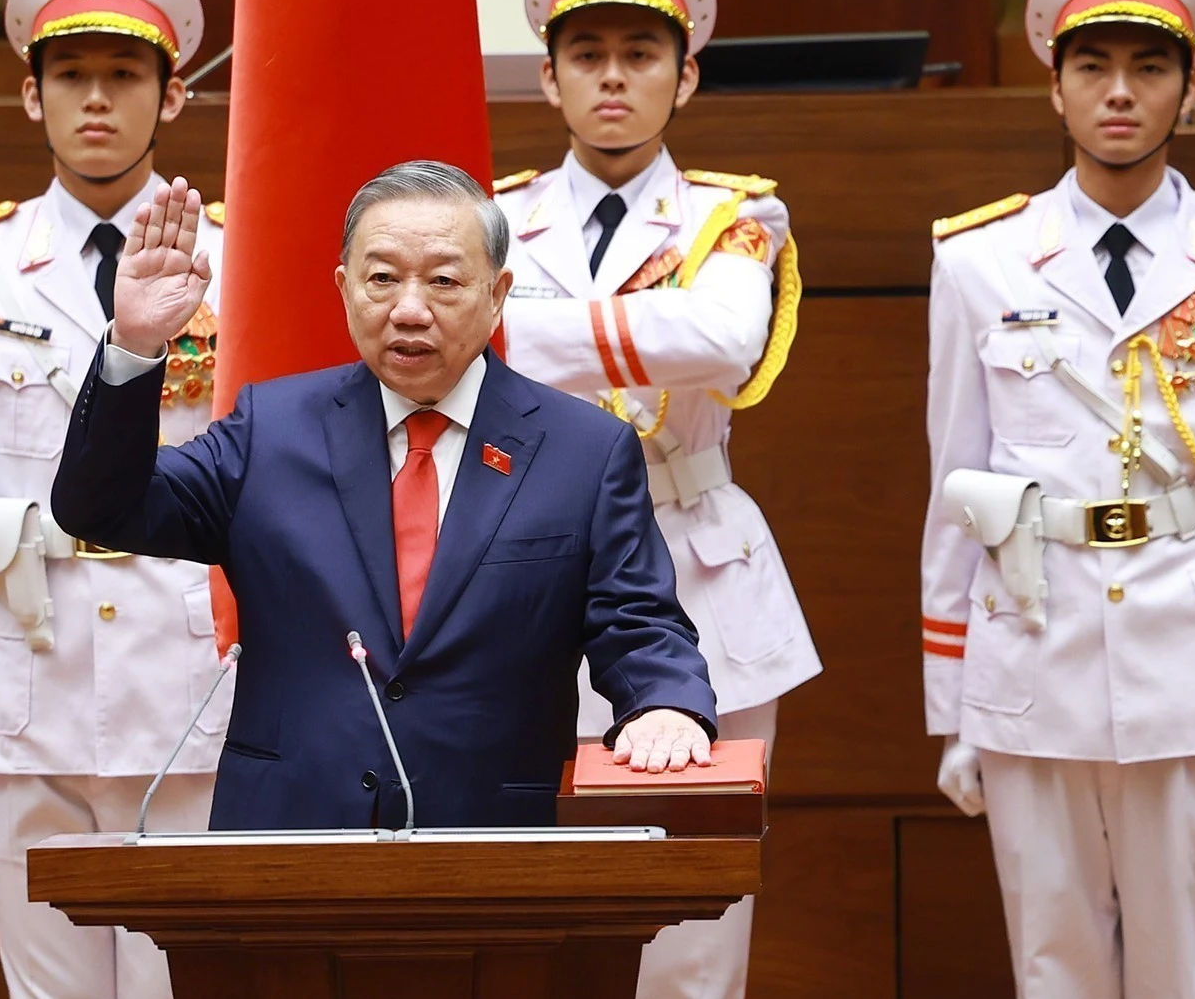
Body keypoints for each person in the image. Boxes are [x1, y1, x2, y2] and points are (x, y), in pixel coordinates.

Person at [52, 160, 722, 829]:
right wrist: (135, 345)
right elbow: (103, 509)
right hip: (288, 836)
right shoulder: (271, 430)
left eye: (444, 281)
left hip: (493, 838)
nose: (409, 309)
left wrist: (665, 703)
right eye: (382, 279)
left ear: (497, 294)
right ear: (344, 288)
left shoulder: (584, 450)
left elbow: (638, 620)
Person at [922, 0, 1195, 999]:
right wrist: (952, 702)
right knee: (1049, 963)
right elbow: (954, 486)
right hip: (1029, 645)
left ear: (1189, 87)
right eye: (1091, 65)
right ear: (1053, 87)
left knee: (1183, 970)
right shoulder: (978, 258)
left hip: (1192, 653)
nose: (1118, 92)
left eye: (1149, 66)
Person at [491, 0, 822, 999]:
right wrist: (640, 328)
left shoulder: (736, 216)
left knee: (693, 938)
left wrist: (516, 327)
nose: (613, 76)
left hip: (698, 570)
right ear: (548, 78)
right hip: (526, 569)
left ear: (686, 77)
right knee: (541, 918)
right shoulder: (489, 219)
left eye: (641, 53)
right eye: (586, 53)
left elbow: (722, 339)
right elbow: (452, 344)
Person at [0, 0, 229, 999]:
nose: (97, 99)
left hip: (186, 679)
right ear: (30, 95)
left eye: (125, 74)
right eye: (71, 75)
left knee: (183, 985)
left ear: (173, 96)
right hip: (26, 676)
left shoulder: (234, 256)